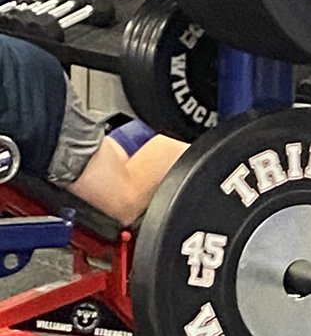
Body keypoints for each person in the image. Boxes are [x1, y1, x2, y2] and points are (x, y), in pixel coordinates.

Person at [0, 35, 188, 226]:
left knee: (123, 201)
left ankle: (190, 140)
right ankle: (136, 139)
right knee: (102, 165)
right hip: (20, 69)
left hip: (27, 91)